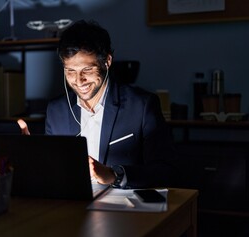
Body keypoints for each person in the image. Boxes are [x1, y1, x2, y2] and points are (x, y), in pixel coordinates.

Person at [45, 19, 177, 189]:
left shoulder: (142, 106)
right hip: (72, 208)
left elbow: (165, 170)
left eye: (87, 70)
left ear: (107, 61)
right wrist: (35, 158)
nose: (78, 80)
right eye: (70, 71)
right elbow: (53, 173)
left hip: (124, 210)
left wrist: (114, 175)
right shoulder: (56, 111)